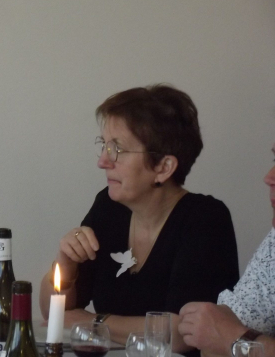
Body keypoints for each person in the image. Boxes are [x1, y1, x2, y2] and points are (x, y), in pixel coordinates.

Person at [39, 85, 240, 353]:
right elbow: (53, 314)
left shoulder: (205, 219)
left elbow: (180, 335)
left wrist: (92, 322)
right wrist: (66, 265)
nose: (103, 161)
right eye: (104, 146)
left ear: (163, 167)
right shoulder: (109, 207)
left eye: (118, 149)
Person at [178, 150, 275, 356]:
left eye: (118, 149)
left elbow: (221, 336)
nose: (269, 177)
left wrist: (236, 339)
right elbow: (209, 341)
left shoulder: (203, 216)